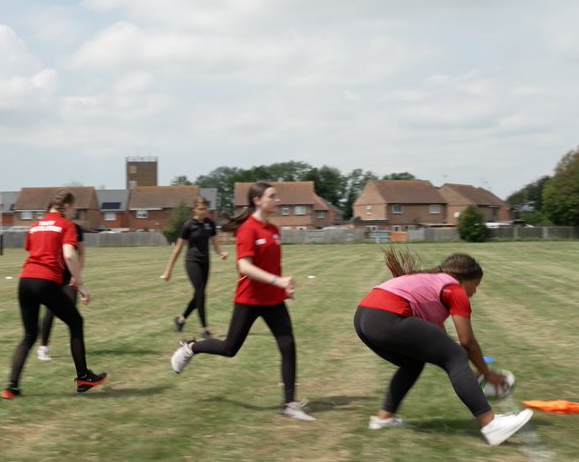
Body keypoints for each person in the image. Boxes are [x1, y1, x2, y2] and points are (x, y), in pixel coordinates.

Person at [354, 248, 533, 446]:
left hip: (363, 318)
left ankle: (383, 419)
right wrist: (486, 373)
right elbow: (467, 342)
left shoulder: (432, 282)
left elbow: (438, 341)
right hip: (386, 317)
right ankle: (491, 425)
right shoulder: (455, 288)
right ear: (464, 279)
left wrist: (465, 372)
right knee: (456, 355)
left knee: (413, 363)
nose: (475, 291)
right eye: (476, 284)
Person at [169, 182, 314, 421]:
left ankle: (289, 404)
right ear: (257, 200)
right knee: (229, 349)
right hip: (249, 299)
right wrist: (278, 281)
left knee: (288, 346)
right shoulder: (248, 230)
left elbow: (272, 266)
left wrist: (283, 288)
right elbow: (244, 266)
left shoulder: (274, 231)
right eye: (272, 196)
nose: (277, 200)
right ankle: (190, 348)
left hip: (273, 300)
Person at [2, 189, 106, 399]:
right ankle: (83, 377)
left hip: (25, 281)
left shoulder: (35, 226)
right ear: (65, 206)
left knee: (29, 335)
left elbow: (33, 251)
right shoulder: (66, 225)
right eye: (73, 208)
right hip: (45, 281)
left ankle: (11, 387)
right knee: (76, 323)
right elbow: (69, 254)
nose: (73, 212)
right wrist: (81, 284)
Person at [161, 195, 227, 339]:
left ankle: (181, 320)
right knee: (201, 293)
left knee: (198, 294)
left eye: (205, 208)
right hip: (192, 262)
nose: (203, 211)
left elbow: (214, 243)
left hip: (206, 263)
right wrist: (168, 270)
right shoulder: (188, 225)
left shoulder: (210, 224)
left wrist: (221, 253)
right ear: (194, 210)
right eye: (200, 209)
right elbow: (177, 249)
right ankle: (205, 329)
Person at [37, 214, 84, 362]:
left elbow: (81, 254)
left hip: (69, 277)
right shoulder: (53, 227)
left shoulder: (76, 228)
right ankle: (43, 348)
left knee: (71, 312)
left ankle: (75, 346)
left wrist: (76, 275)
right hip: (53, 276)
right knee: (50, 312)